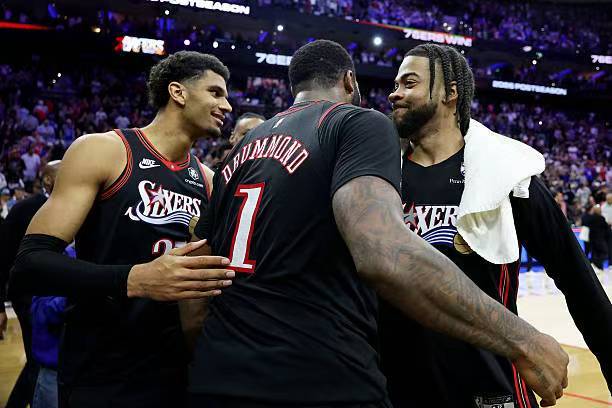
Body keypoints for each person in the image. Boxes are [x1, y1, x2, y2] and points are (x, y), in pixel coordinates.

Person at [187, 40, 568, 408]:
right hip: (317, 379)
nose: (392, 95)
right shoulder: (355, 122)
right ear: (350, 81)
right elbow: (383, 254)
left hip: (218, 374)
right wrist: (524, 340)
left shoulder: (241, 150)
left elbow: (196, 275)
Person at [383, 43, 612, 408]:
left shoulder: (508, 176)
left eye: (409, 83)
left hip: (491, 389)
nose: (394, 93)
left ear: (450, 93)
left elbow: (579, 283)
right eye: (396, 84)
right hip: (399, 390)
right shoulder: (378, 178)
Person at [9, 51, 235, 408]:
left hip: (173, 373)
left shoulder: (207, 180)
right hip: (100, 368)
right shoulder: (104, 150)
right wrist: (134, 279)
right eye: (215, 92)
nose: (227, 105)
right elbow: (30, 264)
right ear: (178, 92)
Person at [0, 161, 60, 408]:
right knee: (40, 361)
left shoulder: (79, 205)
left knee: (44, 361)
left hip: (59, 296)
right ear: (47, 180)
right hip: (29, 297)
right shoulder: (24, 210)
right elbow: (3, 257)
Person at [583, 205, 610, 272]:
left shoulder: (590, 218)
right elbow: (606, 229)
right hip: (600, 239)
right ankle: (594, 262)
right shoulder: (601, 218)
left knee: (595, 253)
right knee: (604, 253)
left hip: (592, 240)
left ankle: (597, 266)